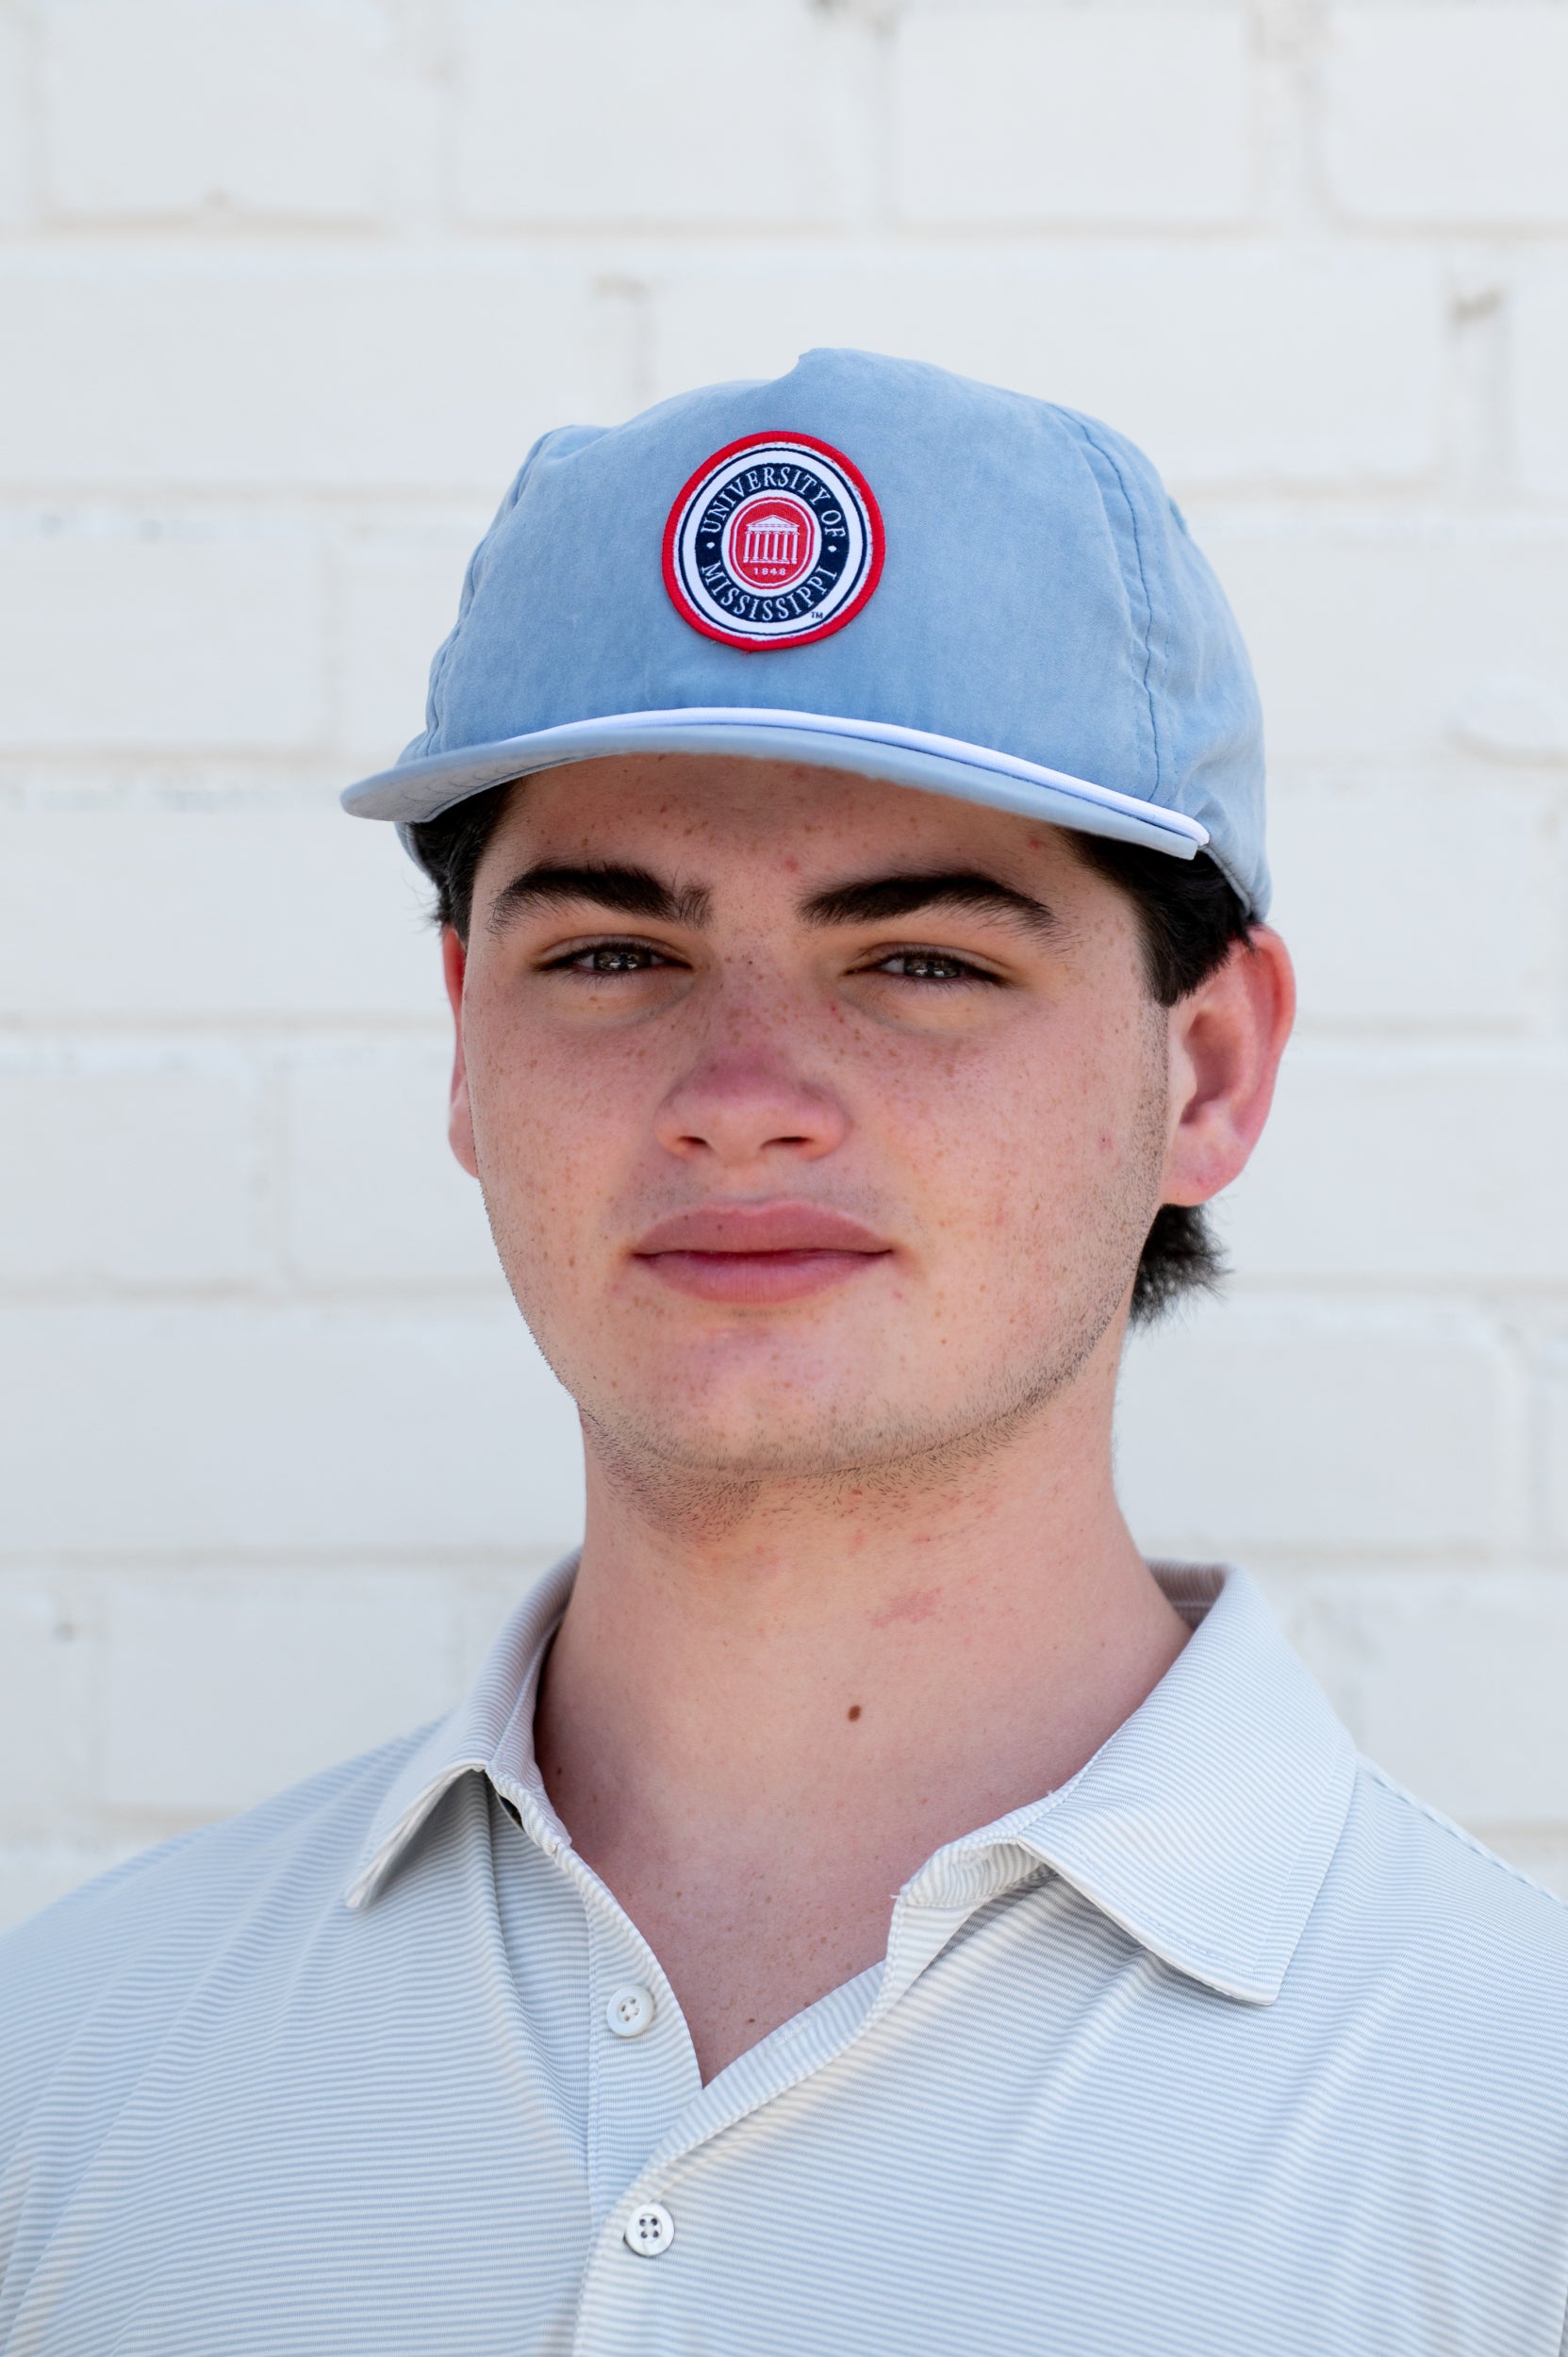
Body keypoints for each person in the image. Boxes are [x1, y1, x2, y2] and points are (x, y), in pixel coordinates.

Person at [2, 349, 1565, 2356]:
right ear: (465, 1038)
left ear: (1209, 1064)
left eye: (921, 957)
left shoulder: (1509, 2149)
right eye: (613, 953)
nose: (742, 1093)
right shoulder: (73, 2075)